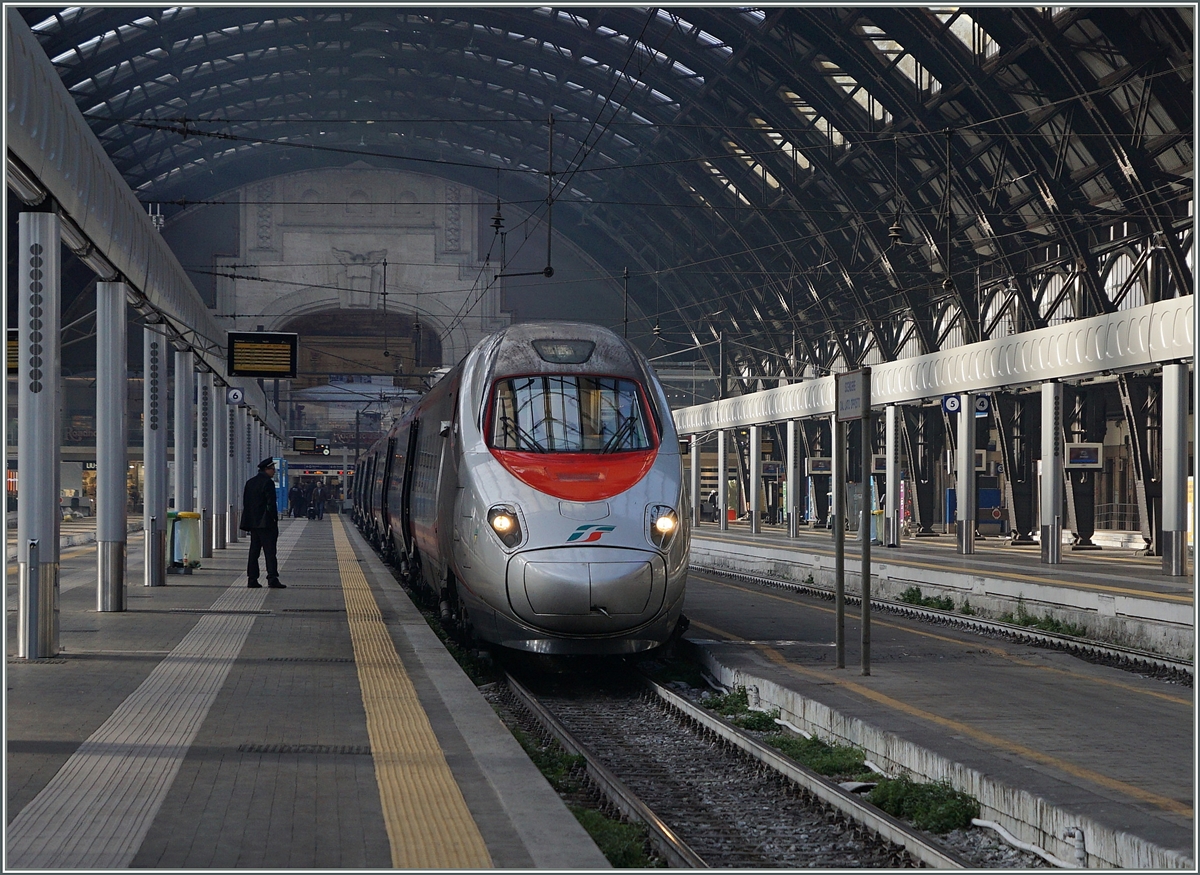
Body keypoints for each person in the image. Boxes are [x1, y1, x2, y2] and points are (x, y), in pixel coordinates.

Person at [240, 457, 285, 589]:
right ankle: (272, 578)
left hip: (254, 523)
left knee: (254, 551)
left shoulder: (250, 482)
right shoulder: (268, 483)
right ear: (266, 469)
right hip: (266, 523)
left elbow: (246, 503)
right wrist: (274, 519)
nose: (274, 471)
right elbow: (271, 503)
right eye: (272, 469)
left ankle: (252, 579)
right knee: (270, 552)